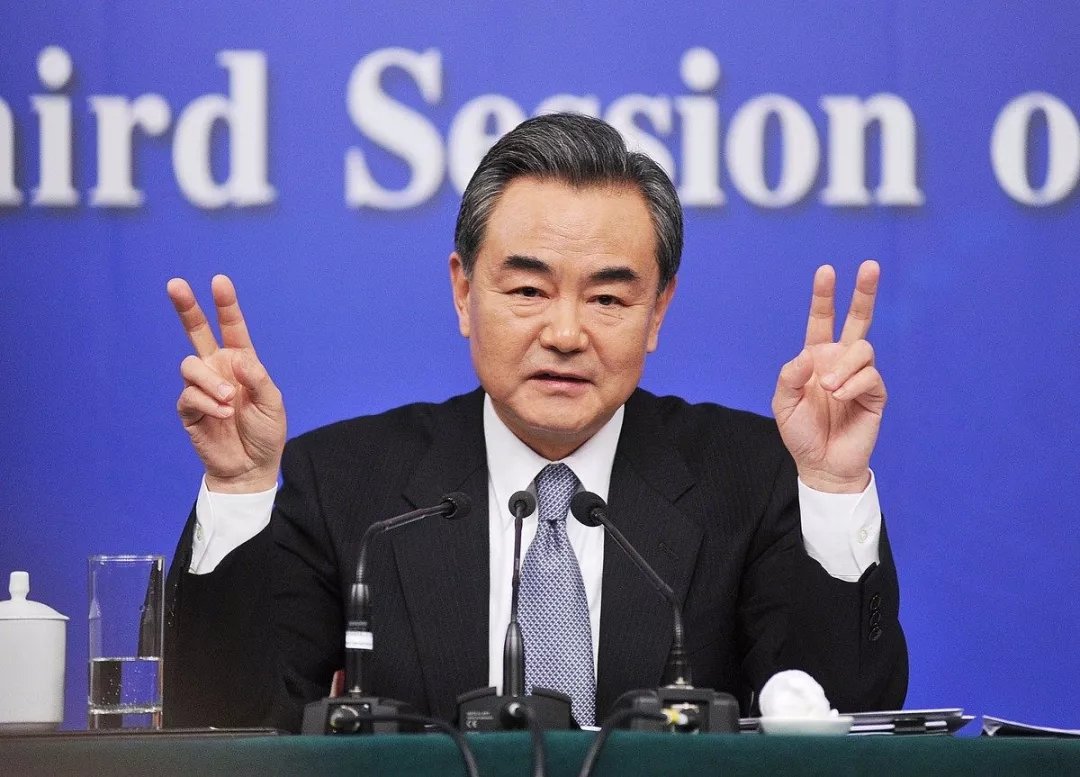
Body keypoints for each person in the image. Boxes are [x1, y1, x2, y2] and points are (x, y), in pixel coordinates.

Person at [163, 113, 907, 733]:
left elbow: (847, 725)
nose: (565, 333)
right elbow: (227, 729)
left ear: (658, 311)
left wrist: (831, 488)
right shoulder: (347, 484)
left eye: (607, 299)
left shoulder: (751, 475)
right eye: (527, 290)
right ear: (463, 292)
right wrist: (240, 488)